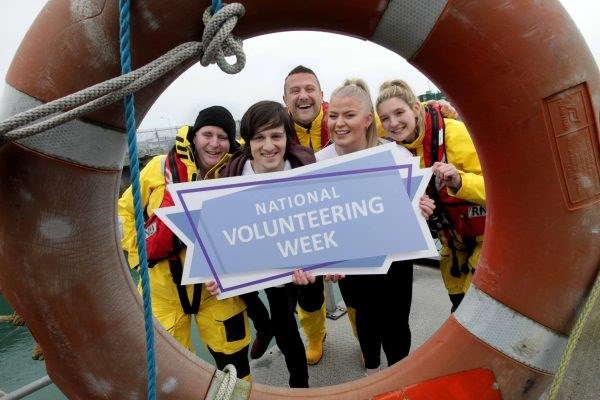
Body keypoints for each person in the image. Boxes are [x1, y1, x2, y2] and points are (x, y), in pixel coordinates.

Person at [282, 65, 456, 364]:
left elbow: (415, 210)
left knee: (397, 327)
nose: (338, 123)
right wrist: (323, 261)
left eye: (348, 116)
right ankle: (373, 372)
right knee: (365, 323)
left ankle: (398, 378)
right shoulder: (317, 163)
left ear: (367, 120)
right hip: (351, 265)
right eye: (333, 115)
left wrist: (422, 210)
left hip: (395, 263)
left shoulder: (398, 156)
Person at [119, 106, 270, 381]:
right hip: (162, 293)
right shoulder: (158, 168)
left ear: (231, 141)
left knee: (236, 366)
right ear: (194, 135)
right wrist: (137, 257)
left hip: (218, 292)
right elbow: (125, 210)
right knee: (170, 372)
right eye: (207, 134)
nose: (214, 143)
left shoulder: (236, 173)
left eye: (222, 137)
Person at [212, 100, 319, 388]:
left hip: (306, 261)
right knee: (285, 329)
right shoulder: (232, 177)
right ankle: (300, 386)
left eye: (276, 136)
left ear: (287, 137)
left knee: (313, 301)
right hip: (269, 269)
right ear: (248, 142)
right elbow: (222, 233)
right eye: (259, 137)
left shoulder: (306, 167)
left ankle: (315, 329)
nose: (268, 146)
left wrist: (324, 262)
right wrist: (217, 272)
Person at [375, 79, 486, 312]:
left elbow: (496, 190)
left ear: (416, 108)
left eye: (399, 112)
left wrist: (459, 181)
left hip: (485, 238)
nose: (393, 123)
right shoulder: (393, 141)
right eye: (385, 118)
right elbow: (357, 118)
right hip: (451, 242)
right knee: (457, 299)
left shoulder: (454, 133)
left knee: (473, 308)